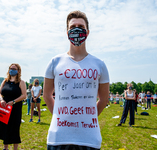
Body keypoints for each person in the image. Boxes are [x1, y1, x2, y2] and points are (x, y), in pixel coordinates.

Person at [43, 10, 109, 150]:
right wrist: (59, 115)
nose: (77, 29)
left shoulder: (99, 64)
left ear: (88, 32)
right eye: (72, 27)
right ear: (67, 32)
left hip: (89, 138)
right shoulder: (55, 62)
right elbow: (47, 95)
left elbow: (104, 99)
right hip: (58, 138)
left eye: (81, 26)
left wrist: (87, 117)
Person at [0, 63, 26, 150]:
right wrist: (1, 99)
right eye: (11, 68)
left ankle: (15, 148)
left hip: (15, 108)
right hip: (4, 107)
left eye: (14, 68)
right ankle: (5, 147)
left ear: (18, 71)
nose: (12, 70)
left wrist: (13, 101)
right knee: (4, 127)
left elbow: (24, 95)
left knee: (14, 127)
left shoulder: (21, 82)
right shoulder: (5, 81)